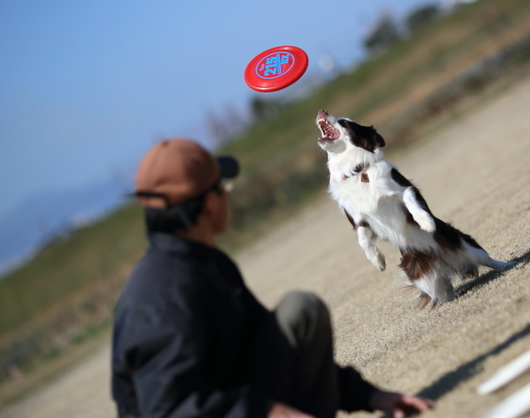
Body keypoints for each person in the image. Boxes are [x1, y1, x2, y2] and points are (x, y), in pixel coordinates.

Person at [111, 138, 434, 418]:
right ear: (210, 203)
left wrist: (368, 396)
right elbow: (165, 409)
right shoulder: (162, 296)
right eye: (224, 187)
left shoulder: (203, 262)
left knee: (300, 311)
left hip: (232, 404)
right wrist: (265, 411)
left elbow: (253, 342)